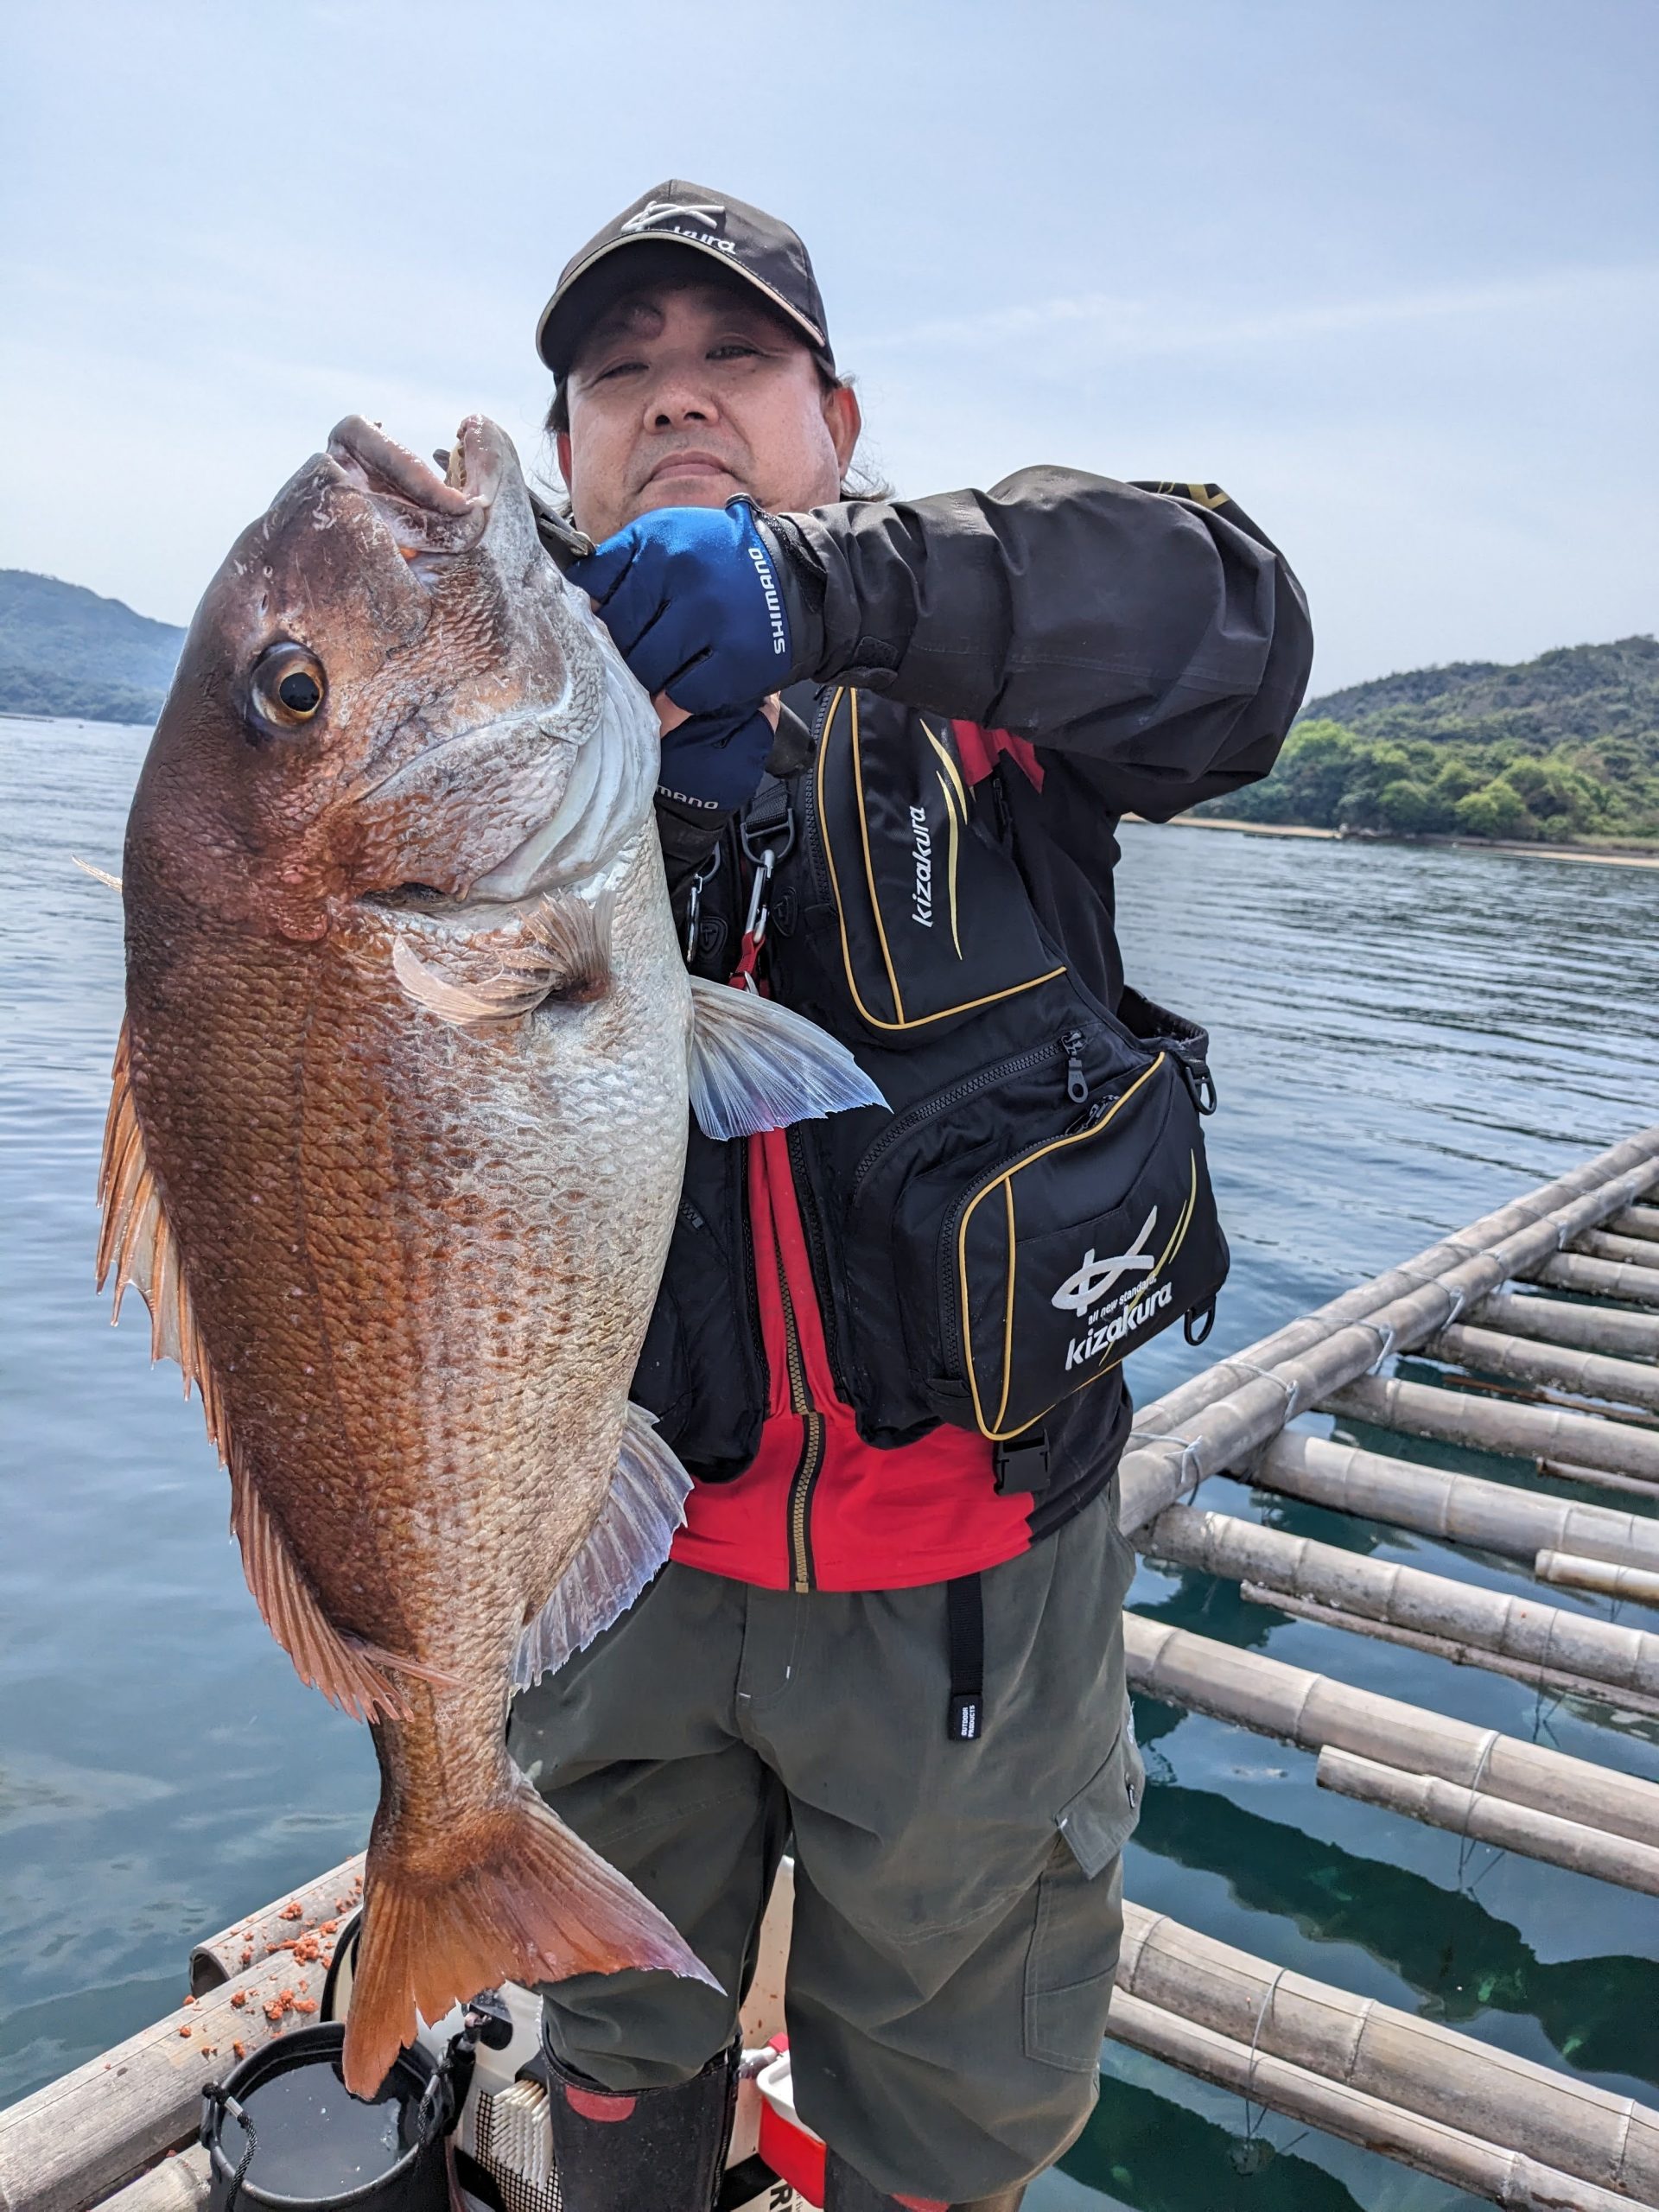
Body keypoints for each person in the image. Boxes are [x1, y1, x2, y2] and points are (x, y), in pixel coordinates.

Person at [507, 181, 1313, 2212]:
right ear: (563, 462)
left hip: (973, 1592)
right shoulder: (498, 763)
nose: (678, 401)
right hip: (615, 1578)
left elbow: (1240, 622)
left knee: (949, 2108)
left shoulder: (995, 678)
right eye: (622, 380)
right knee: (612, 2040)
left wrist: (832, 600)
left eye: (735, 362)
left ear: (837, 420)